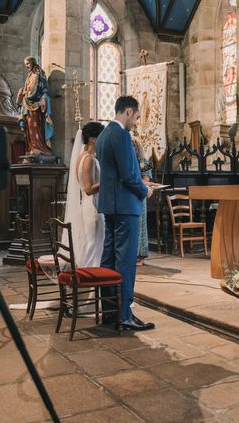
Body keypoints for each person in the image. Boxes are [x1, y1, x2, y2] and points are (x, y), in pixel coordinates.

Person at [97, 96, 154, 331]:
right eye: (137, 117)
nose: (137, 123)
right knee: (126, 262)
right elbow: (130, 175)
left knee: (108, 260)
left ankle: (110, 312)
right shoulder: (120, 135)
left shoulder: (102, 135)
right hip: (126, 207)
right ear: (129, 111)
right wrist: (145, 190)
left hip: (110, 207)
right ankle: (124, 314)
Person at [62, 122, 105, 268]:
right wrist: (108, 181)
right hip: (93, 206)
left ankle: (88, 276)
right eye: (102, 136)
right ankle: (89, 276)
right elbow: (88, 188)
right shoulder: (89, 159)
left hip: (89, 205)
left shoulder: (82, 156)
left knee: (91, 243)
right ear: (93, 139)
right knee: (93, 244)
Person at [17, 56, 53, 156]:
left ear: (33, 62)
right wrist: (22, 93)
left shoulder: (40, 75)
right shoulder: (29, 76)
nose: (27, 66)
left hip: (36, 107)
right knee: (29, 126)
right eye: (26, 64)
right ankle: (31, 146)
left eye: (28, 64)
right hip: (27, 106)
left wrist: (42, 101)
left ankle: (39, 146)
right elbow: (27, 90)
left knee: (35, 126)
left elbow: (44, 91)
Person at [132, 135, 153, 266]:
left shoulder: (144, 162)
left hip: (140, 195)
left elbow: (146, 180)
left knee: (140, 225)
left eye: (133, 146)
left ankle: (140, 255)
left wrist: (135, 182)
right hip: (130, 194)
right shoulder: (127, 160)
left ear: (138, 147)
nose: (132, 148)